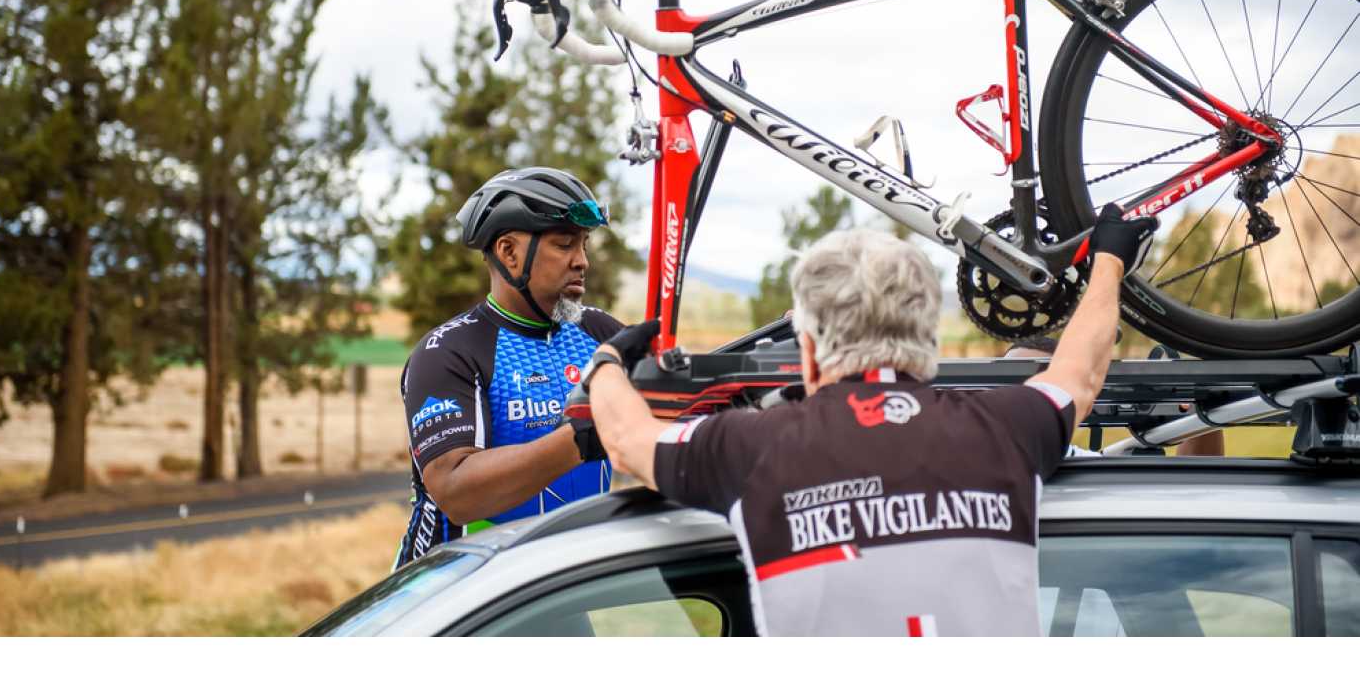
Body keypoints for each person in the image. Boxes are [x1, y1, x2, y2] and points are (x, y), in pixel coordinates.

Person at [583, 204, 1156, 635]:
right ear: (928, 339)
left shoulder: (751, 448)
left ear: (808, 351)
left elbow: (628, 439)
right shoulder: (1003, 427)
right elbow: (1079, 373)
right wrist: (1108, 263)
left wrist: (608, 363)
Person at [393, 167, 623, 570]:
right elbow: (457, 492)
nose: (582, 261)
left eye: (584, 244)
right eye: (565, 244)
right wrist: (585, 436)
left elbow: (683, 392)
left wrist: (770, 344)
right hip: (458, 593)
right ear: (509, 252)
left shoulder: (597, 331)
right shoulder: (450, 351)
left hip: (549, 583)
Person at [1004, 337, 1224, 457]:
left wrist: (1199, 403)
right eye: (1005, 384)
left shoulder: (1092, 470)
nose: (1019, 398)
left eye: (1039, 387)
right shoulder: (970, 459)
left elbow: (1194, 491)